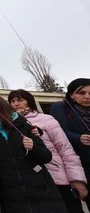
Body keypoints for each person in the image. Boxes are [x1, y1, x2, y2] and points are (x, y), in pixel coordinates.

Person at [0, 95, 67, 212]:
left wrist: (33, 147)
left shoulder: (25, 126)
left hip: (39, 184)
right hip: (11, 189)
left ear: (1, 107)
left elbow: (46, 157)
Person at [8, 89, 87, 212]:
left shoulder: (46, 119)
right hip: (35, 181)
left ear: (29, 101)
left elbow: (64, 148)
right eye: (12, 101)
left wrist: (76, 178)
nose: (16, 103)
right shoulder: (9, 124)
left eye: (20, 100)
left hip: (57, 175)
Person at [50, 78, 90, 207]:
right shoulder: (60, 107)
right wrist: (78, 138)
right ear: (72, 95)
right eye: (81, 93)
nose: (87, 97)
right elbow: (59, 132)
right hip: (83, 163)